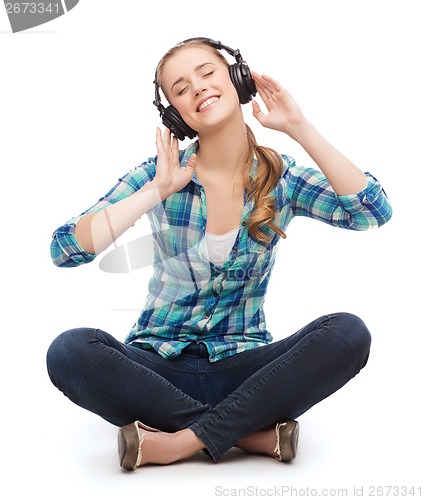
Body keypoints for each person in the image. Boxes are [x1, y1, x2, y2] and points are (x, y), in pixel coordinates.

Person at [46, 37, 392, 471]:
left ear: (236, 79)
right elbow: (65, 249)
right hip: (156, 366)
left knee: (348, 333)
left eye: (207, 73)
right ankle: (244, 433)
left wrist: (299, 126)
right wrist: (156, 192)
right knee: (69, 350)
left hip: (244, 368)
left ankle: (177, 442)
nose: (197, 88)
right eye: (180, 87)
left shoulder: (282, 178)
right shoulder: (160, 174)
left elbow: (372, 212)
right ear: (175, 113)